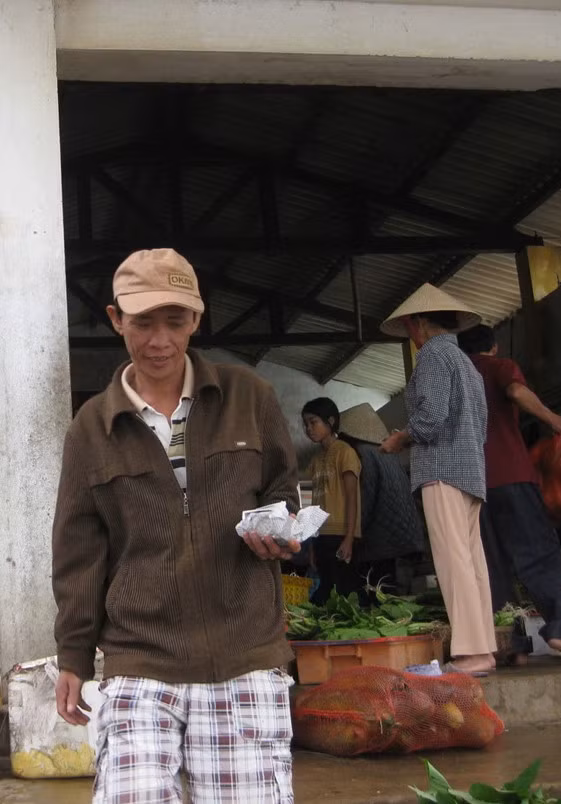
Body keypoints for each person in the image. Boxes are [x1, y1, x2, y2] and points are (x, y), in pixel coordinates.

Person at [52, 248, 300, 804]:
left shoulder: (249, 397)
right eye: (143, 322)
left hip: (244, 655)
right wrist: (73, 655)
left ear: (197, 318)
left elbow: (282, 491)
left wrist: (279, 528)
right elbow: (78, 552)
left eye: (175, 320)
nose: (160, 340)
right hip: (140, 659)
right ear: (116, 319)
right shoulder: (90, 428)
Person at [379, 283, 497, 676]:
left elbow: (430, 419)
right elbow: (481, 424)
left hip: (441, 469)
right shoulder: (466, 363)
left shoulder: (432, 355)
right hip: (471, 469)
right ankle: (484, 647)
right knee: (472, 560)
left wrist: (401, 437)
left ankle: (471, 652)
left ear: (418, 323)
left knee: (452, 561)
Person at [458, 324, 561, 664]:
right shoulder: (500, 366)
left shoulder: (456, 377)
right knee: (539, 553)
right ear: (494, 346)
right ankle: (558, 628)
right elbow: (516, 391)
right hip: (512, 477)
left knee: (492, 564)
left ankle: (513, 647)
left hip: (473, 483)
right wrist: (553, 419)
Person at [338, 403, 425, 594]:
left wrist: (350, 534)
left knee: (380, 597)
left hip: (383, 543)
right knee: (397, 598)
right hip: (405, 538)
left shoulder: (361, 454)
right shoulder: (386, 452)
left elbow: (364, 500)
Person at [302, 397, 362, 604]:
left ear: (330, 421)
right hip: (320, 536)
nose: (308, 428)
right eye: (305, 424)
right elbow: (308, 506)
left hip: (341, 534)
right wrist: (311, 545)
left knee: (344, 594)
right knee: (325, 594)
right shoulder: (313, 462)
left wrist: (349, 538)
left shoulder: (346, 453)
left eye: (313, 422)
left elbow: (352, 497)